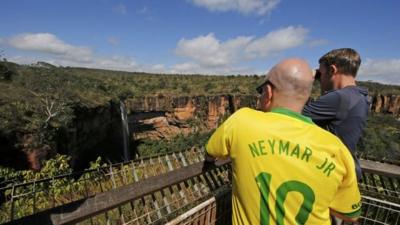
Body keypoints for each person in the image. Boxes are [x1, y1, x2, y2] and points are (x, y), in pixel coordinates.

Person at [206, 58, 361, 225]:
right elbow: (350, 215)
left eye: (261, 91)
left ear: (268, 92)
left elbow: (211, 152)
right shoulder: (337, 148)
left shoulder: (241, 121)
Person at [302, 48, 370, 180]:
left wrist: (305, 81)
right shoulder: (360, 96)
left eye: (320, 73)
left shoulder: (339, 98)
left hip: (332, 173)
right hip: (346, 170)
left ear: (332, 70)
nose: (319, 79)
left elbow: (290, 113)